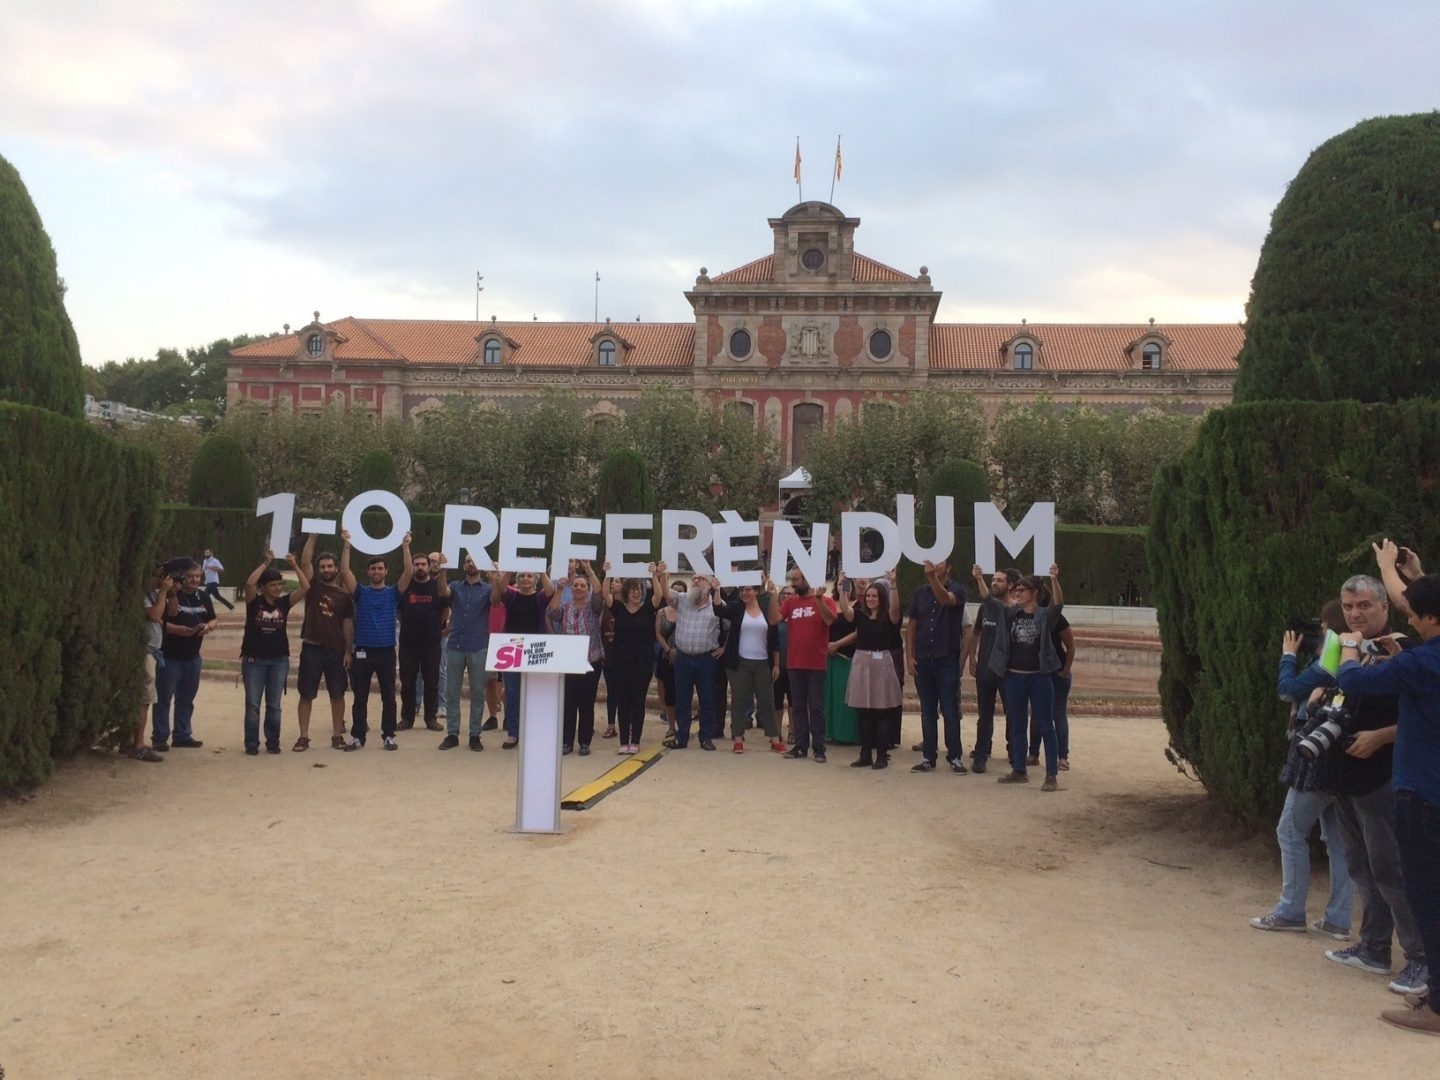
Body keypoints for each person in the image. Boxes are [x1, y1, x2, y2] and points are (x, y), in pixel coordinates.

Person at [1338, 541, 1440, 1034]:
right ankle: (1411, 971)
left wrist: (1350, 650)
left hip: (1418, 790)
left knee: (1419, 891)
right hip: (1408, 786)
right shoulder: (1420, 655)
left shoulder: (1421, 659)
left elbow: (1355, 682)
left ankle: (1433, 994)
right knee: (1386, 874)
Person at [1321, 566, 1429, 1000]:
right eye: (1348, 606)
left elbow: (1425, 718)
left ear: (1387, 606)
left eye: (1364, 605)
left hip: (1384, 776)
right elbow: (1329, 690)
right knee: (1361, 865)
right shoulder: (1344, 646)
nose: (1355, 614)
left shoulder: (1404, 649)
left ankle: (1419, 957)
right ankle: (1374, 946)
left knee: (1390, 870)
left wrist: (1380, 736)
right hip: (1346, 774)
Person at [1249, 600, 1355, 938]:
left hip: (1316, 759)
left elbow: (1288, 689)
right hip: (1342, 759)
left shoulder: (1331, 657)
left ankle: (1291, 910)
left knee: (1290, 831)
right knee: (1338, 840)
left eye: (1323, 628)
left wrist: (1289, 655)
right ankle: (1338, 919)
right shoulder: (1352, 652)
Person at [985, 565, 1064, 790]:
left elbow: (1058, 604)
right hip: (1014, 678)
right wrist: (980, 579)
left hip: (1039, 678)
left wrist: (1055, 579)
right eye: (1016, 590)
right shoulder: (1011, 613)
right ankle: (1019, 770)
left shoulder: (1044, 615)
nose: (1017, 593)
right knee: (1017, 724)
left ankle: (1051, 775)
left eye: (1023, 590)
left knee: (1046, 725)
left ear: (1035, 593)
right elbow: (990, 602)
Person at [339, 531, 406, 752]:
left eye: (380, 568)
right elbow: (345, 571)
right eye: (373, 568)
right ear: (368, 572)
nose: (376, 571)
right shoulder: (360, 593)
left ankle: (388, 735)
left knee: (389, 696)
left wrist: (406, 546)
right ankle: (358, 736)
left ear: (386, 571)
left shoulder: (393, 593)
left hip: (386, 652)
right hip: (363, 651)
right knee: (360, 697)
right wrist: (347, 545)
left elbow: (409, 572)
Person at [239, 550, 309, 755]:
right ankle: (252, 743)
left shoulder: (283, 603)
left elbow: (306, 587)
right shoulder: (254, 602)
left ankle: (273, 741)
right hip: (254, 658)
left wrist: (295, 565)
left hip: (279, 659)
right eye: (272, 585)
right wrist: (265, 563)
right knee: (252, 703)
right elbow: (249, 584)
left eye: (279, 584)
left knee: (274, 704)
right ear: (264, 588)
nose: (277, 588)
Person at [905, 559, 969, 774]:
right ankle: (928, 757)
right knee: (927, 711)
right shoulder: (919, 593)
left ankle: (955, 757)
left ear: (949, 567)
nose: (936, 565)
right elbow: (912, 625)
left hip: (946, 659)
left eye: (941, 562)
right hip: (923, 658)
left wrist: (932, 578)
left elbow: (946, 600)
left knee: (950, 710)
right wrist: (909, 656)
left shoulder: (958, 589)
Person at [297, 532, 356, 751]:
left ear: (337, 568)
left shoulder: (344, 595)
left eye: (330, 566)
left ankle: (336, 735)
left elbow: (347, 624)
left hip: (336, 650)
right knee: (306, 694)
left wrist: (348, 651)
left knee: (338, 694)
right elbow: (305, 562)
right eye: (322, 567)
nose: (326, 570)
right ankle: (303, 736)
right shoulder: (312, 588)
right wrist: (313, 537)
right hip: (311, 647)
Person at [838, 577, 903, 769]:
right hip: (862, 662)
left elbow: (895, 609)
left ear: (881, 598)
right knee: (863, 712)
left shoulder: (890, 617)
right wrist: (844, 586)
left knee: (881, 712)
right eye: (868, 596)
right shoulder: (860, 615)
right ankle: (865, 754)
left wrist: (893, 584)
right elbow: (845, 610)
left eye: (874, 596)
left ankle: (881, 756)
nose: (871, 599)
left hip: (882, 663)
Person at [439, 555, 502, 751]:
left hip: (478, 646)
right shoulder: (456, 586)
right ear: (463, 565)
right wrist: (442, 570)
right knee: (452, 692)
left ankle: (475, 734)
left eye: (474, 560)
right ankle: (452, 733)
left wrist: (494, 579)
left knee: (477, 692)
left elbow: (497, 601)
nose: (470, 563)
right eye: (466, 560)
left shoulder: (487, 588)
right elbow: (443, 591)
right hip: (456, 645)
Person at [152, 559, 214, 751]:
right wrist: (178, 629)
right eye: (190, 576)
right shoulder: (171, 594)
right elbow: (162, 620)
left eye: (197, 576)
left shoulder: (203, 596)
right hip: (171, 655)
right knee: (163, 698)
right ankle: (160, 737)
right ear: (182, 577)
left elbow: (213, 618)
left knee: (186, 699)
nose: (194, 580)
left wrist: (209, 626)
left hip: (193, 656)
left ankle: (182, 734)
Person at [606, 561, 667, 754]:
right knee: (623, 701)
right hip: (621, 663)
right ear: (626, 592)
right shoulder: (618, 608)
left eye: (638, 589)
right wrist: (608, 573)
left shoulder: (648, 609)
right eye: (632, 589)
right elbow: (605, 595)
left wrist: (653, 576)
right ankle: (624, 741)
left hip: (643, 663)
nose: (635, 592)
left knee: (638, 701)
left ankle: (635, 741)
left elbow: (659, 595)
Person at [719, 576, 783, 754]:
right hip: (741, 663)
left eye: (748, 589)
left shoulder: (766, 611)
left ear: (756, 591)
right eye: (742, 590)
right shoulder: (737, 609)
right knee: (738, 701)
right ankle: (738, 739)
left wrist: (776, 665)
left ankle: (774, 739)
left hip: (763, 663)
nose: (744, 593)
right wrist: (717, 589)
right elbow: (719, 609)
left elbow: (775, 641)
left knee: (767, 702)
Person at [664, 569, 726, 751]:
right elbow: (666, 593)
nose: (696, 581)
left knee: (707, 700)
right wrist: (661, 575)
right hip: (683, 659)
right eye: (694, 578)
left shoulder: (718, 605)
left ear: (709, 584)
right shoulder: (682, 599)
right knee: (682, 699)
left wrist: (724, 647)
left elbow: (730, 626)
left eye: (701, 579)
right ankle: (681, 737)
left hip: (706, 660)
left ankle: (706, 737)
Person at [966, 565, 1017, 774]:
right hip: (985, 669)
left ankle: (1014, 752)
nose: (995, 583)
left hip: (1007, 669)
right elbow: (975, 633)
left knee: (1012, 713)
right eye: (993, 580)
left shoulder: (1015, 609)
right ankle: (981, 754)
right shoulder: (984, 607)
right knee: (984, 714)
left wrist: (979, 580)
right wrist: (972, 657)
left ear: (1010, 585)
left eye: (999, 580)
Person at [782, 567, 837, 762]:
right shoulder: (790, 602)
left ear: (806, 579)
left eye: (795, 580)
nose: (793, 584)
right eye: (791, 580)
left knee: (816, 707)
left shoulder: (826, 600)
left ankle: (819, 748)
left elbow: (829, 620)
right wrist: (772, 595)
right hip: (794, 662)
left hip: (816, 663)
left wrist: (819, 599)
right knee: (797, 706)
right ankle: (800, 746)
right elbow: (774, 619)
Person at [551, 561, 605, 755]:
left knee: (586, 702)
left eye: (583, 586)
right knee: (569, 702)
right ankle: (567, 742)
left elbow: (599, 592)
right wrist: (559, 589)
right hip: (568, 661)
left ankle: (584, 742)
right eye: (576, 585)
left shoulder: (594, 606)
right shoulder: (565, 606)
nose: (579, 588)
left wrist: (589, 570)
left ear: (588, 589)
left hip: (591, 660)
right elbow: (552, 612)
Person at [498, 569, 556, 749]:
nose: (525, 579)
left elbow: (550, 591)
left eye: (529, 576)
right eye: (522, 576)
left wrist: (541, 570)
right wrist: (508, 569)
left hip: (535, 651)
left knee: (535, 693)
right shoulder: (512, 597)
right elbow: (500, 587)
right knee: (513, 693)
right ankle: (514, 733)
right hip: (513, 650)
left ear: (535, 580)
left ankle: (534, 731)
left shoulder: (540, 599)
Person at [397, 545, 450, 732]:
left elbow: (445, 610)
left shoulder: (437, 587)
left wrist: (436, 626)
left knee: (432, 682)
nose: (420, 567)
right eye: (416, 564)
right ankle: (407, 718)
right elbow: (399, 612)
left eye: (423, 564)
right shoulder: (406, 587)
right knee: (408, 682)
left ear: (429, 567)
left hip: (431, 643)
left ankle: (430, 718)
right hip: (408, 643)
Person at [134, 562, 173, 763]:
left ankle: (134, 741)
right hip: (145, 651)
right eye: (158, 576)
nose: (161, 581)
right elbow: (156, 616)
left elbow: (172, 612)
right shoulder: (143, 595)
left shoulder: (154, 595)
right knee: (144, 699)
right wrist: (164, 592)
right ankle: (138, 745)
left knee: (146, 699)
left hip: (153, 651)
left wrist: (170, 592)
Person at [1030, 610, 1076, 770]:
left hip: (1057, 673)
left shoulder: (1057, 619)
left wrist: (1065, 671)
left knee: (1058, 713)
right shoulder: (1027, 617)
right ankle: (1033, 753)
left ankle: (1062, 756)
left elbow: (1070, 646)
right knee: (1036, 714)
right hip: (1038, 672)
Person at [413, 550, 449, 723]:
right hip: (418, 636)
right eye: (432, 561)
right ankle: (416, 704)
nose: (435, 564)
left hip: (438, 635)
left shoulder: (441, 583)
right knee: (418, 673)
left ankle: (441, 704)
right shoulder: (416, 583)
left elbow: (446, 608)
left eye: (436, 562)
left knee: (440, 671)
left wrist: (441, 628)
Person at [824, 577, 860, 747]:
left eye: (846, 583)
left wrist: (837, 644)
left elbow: (859, 632)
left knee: (845, 699)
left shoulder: (859, 605)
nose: (842, 586)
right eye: (839, 583)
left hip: (848, 657)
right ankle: (827, 733)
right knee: (828, 697)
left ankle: (846, 735)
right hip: (827, 657)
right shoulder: (829, 603)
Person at [655, 580, 684, 740]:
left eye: (681, 591)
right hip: (666, 657)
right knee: (669, 693)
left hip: (683, 656)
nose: (676, 594)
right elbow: (658, 633)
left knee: (682, 692)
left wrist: (679, 650)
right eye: (674, 590)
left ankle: (683, 725)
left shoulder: (687, 611)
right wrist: (668, 649)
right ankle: (672, 726)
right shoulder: (662, 612)